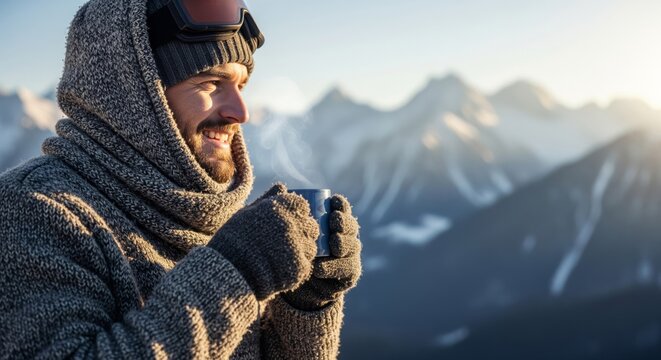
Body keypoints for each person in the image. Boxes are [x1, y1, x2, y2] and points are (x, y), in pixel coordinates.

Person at [0, 0, 362, 358]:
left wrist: (305, 306)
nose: (240, 112)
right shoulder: (32, 210)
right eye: (211, 83)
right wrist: (235, 271)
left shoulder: (205, 218)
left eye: (241, 85)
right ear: (135, 97)